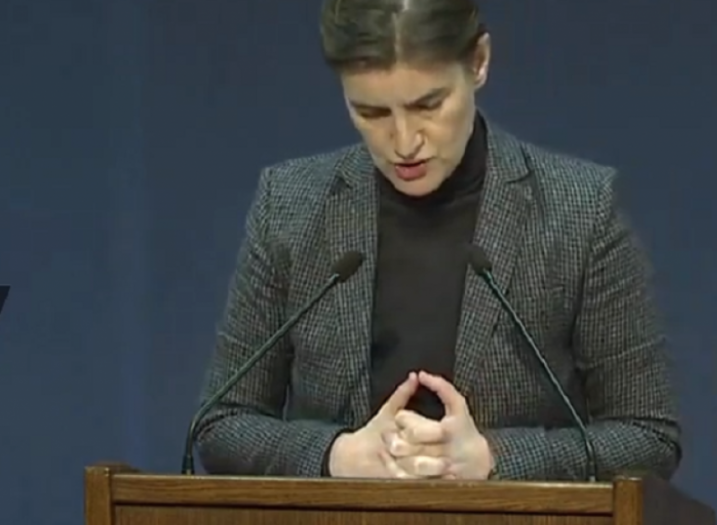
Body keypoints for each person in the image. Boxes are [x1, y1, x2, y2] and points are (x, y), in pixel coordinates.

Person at [194, 0, 681, 482]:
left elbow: (648, 437)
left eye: (428, 105)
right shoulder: (290, 206)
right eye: (371, 112)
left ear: (479, 62)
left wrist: (491, 459)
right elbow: (221, 424)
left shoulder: (579, 210)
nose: (404, 142)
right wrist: (337, 456)